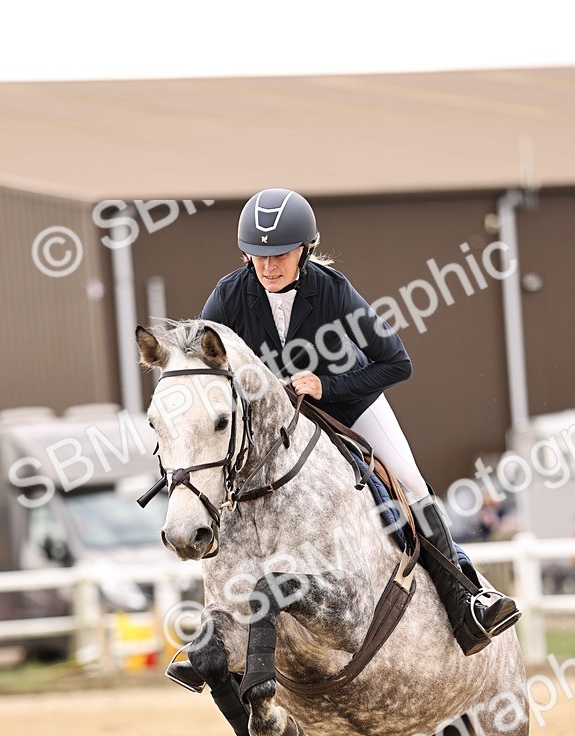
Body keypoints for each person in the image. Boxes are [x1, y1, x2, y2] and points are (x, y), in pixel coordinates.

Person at [198, 187, 519, 656]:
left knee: (409, 479)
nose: (268, 268)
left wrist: (326, 387)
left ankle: (466, 598)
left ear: (305, 249)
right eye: (258, 256)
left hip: (349, 404)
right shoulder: (229, 296)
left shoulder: (331, 289)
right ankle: (212, 633)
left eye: (280, 256)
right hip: (272, 424)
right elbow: (202, 366)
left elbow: (396, 363)